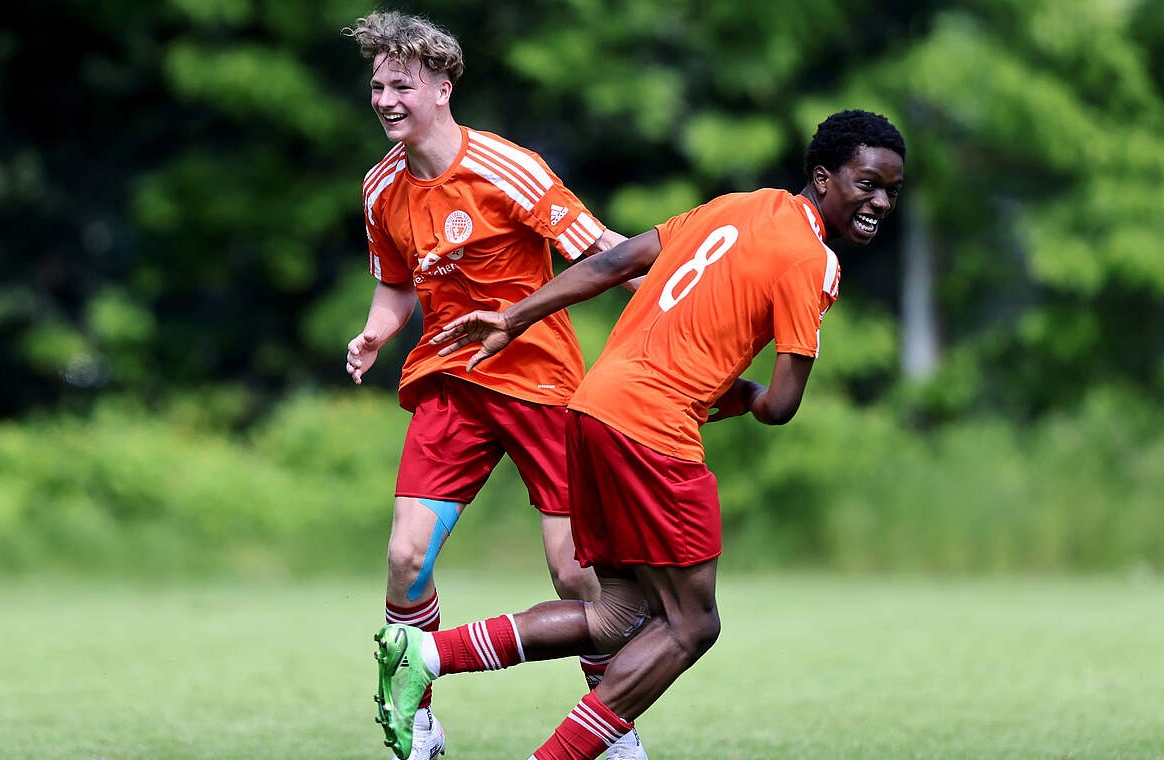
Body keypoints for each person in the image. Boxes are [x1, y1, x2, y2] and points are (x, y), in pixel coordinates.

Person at [372, 109, 906, 760]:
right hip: (653, 430)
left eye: (891, 190)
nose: (880, 200)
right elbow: (781, 406)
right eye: (867, 182)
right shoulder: (813, 260)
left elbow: (617, 261)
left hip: (592, 406)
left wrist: (513, 317)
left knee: (616, 616)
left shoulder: (737, 206)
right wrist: (737, 394)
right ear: (823, 178)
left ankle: (425, 650)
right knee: (692, 624)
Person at [341, 11, 646, 760]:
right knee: (406, 557)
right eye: (377, 85)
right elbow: (395, 285)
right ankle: (418, 718)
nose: (385, 99)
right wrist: (378, 331)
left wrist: (682, 302)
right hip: (451, 386)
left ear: (442, 88)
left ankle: (613, 733)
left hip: (543, 384)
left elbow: (604, 252)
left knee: (578, 577)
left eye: (401, 85)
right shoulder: (381, 188)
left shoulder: (508, 168)